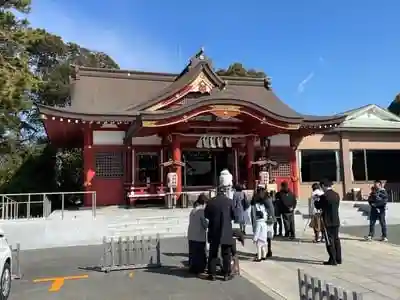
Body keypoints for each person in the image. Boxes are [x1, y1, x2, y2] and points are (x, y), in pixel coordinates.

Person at [204, 173, 236, 281]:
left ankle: (212, 274)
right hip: (226, 229)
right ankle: (226, 274)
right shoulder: (229, 202)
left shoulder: (211, 202)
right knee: (226, 253)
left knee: (213, 252)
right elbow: (234, 216)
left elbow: (206, 215)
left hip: (214, 229)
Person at [315, 179, 342, 266]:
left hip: (327, 221)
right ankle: (338, 258)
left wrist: (316, 200)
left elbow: (318, 206)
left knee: (329, 240)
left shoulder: (324, 196)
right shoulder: (336, 195)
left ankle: (332, 259)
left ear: (323, 186)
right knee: (336, 239)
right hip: (336, 220)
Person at [251, 184, 275, 259]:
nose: (258, 191)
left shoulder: (266, 198)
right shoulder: (261, 197)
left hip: (266, 220)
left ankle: (268, 251)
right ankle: (263, 252)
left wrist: (270, 218)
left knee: (266, 236)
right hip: (263, 219)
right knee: (264, 236)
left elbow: (271, 210)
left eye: (259, 190)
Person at [187, 194, 209, 275]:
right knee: (200, 253)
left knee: (192, 252)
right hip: (198, 235)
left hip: (191, 234)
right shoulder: (201, 211)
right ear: (204, 203)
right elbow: (205, 224)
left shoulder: (193, 210)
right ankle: (200, 268)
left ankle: (192, 267)